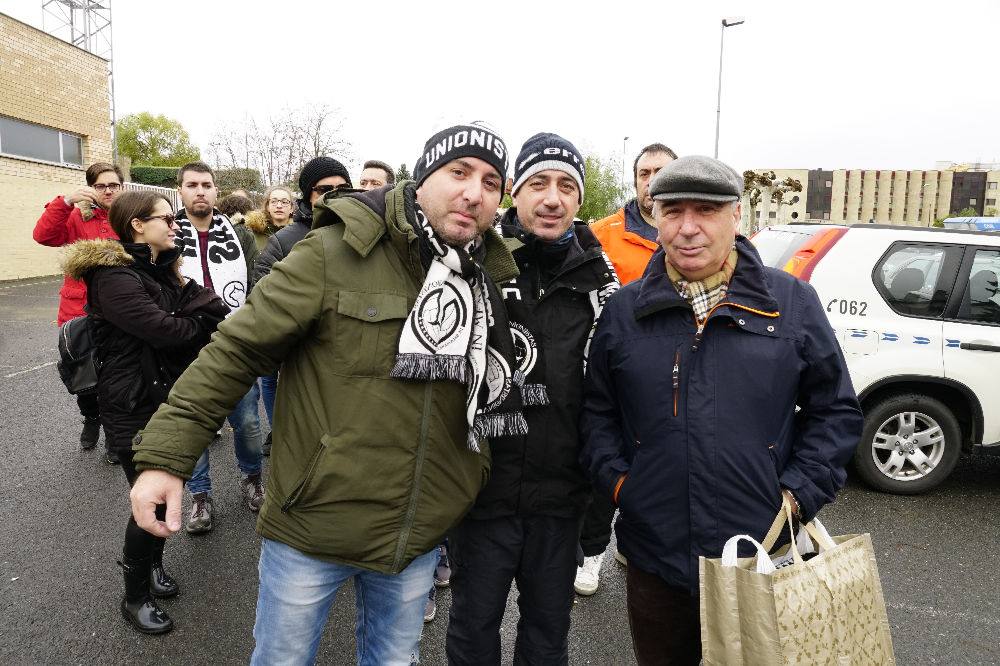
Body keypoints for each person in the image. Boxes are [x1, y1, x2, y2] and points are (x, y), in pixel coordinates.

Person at [128, 123, 524, 665]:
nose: (474, 192)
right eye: (459, 173)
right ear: (423, 176)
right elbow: (236, 350)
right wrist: (165, 458)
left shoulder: (486, 277)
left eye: (491, 182)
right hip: (311, 527)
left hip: (413, 535)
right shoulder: (333, 251)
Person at [579, 155, 863, 665]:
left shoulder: (791, 303)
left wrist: (798, 496)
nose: (688, 228)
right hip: (655, 558)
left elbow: (835, 411)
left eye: (706, 210)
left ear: (737, 217)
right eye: (673, 211)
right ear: (655, 217)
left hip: (760, 554)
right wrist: (622, 485)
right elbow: (597, 413)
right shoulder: (625, 311)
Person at [446, 133, 619, 665]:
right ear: (514, 193)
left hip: (560, 501)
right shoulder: (471, 265)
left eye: (567, 186)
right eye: (539, 183)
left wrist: (598, 507)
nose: (552, 198)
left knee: (547, 637)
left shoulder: (602, 281)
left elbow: (610, 399)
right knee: (474, 631)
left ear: (579, 200)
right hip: (483, 495)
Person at [61, 190, 228, 634]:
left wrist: (191, 315)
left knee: (165, 488)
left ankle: (152, 567)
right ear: (137, 224)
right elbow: (162, 329)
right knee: (149, 499)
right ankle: (134, 596)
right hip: (131, 404)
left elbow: (210, 304)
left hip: (162, 400)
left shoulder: (158, 268)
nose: (174, 225)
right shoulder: (112, 276)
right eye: (166, 219)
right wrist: (195, 323)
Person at [576, 141, 678, 595]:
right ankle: (591, 553)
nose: (652, 180)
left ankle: (634, 545)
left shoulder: (686, 229)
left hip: (673, 374)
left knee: (660, 466)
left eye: (662, 171)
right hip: (613, 371)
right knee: (607, 467)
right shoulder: (603, 233)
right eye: (644, 172)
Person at [172, 161, 264, 532]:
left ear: (215, 190)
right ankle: (199, 497)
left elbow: (257, 281)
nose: (200, 191)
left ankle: (253, 478)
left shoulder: (238, 236)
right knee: (193, 424)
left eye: (206, 184)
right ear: (181, 190)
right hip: (184, 346)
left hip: (233, 342)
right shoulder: (167, 232)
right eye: (192, 184)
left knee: (247, 421)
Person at [252, 159, 352, 457]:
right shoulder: (284, 241)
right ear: (309, 194)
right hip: (303, 353)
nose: (334, 195)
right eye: (324, 189)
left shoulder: (366, 233)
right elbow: (263, 300)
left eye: (342, 188)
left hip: (349, 352)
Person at [33, 162, 124, 459]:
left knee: (115, 377)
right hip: (77, 311)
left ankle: (114, 436)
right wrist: (66, 201)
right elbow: (43, 235)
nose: (108, 190)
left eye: (113, 185)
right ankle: (91, 417)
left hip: (119, 310)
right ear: (91, 188)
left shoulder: (130, 217)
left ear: (122, 187)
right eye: (101, 186)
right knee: (83, 375)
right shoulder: (75, 216)